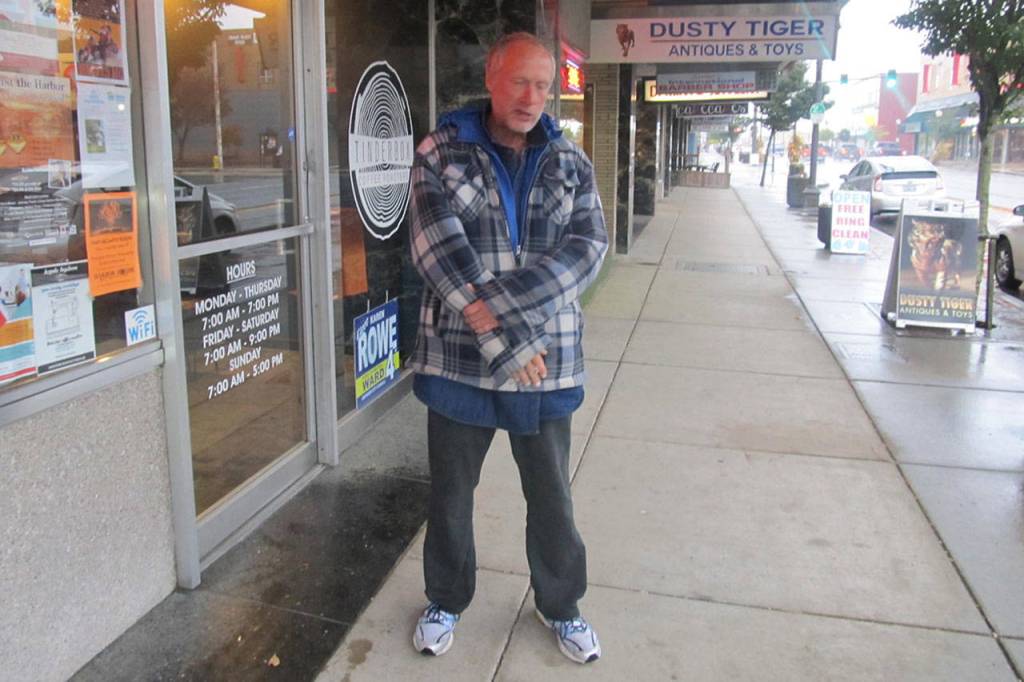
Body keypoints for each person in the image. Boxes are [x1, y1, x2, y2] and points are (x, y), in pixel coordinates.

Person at [407, 32, 608, 664]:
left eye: (543, 85)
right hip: (462, 364)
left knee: (551, 495)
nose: (531, 98)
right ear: (492, 77)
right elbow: (439, 253)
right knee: (450, 495)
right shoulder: (441, 151)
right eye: (520, 81)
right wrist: (509, 345)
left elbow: (587, 250)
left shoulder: (571, 161)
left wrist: (510, 330)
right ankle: (446, 598)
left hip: (543, 366)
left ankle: (561, 605)